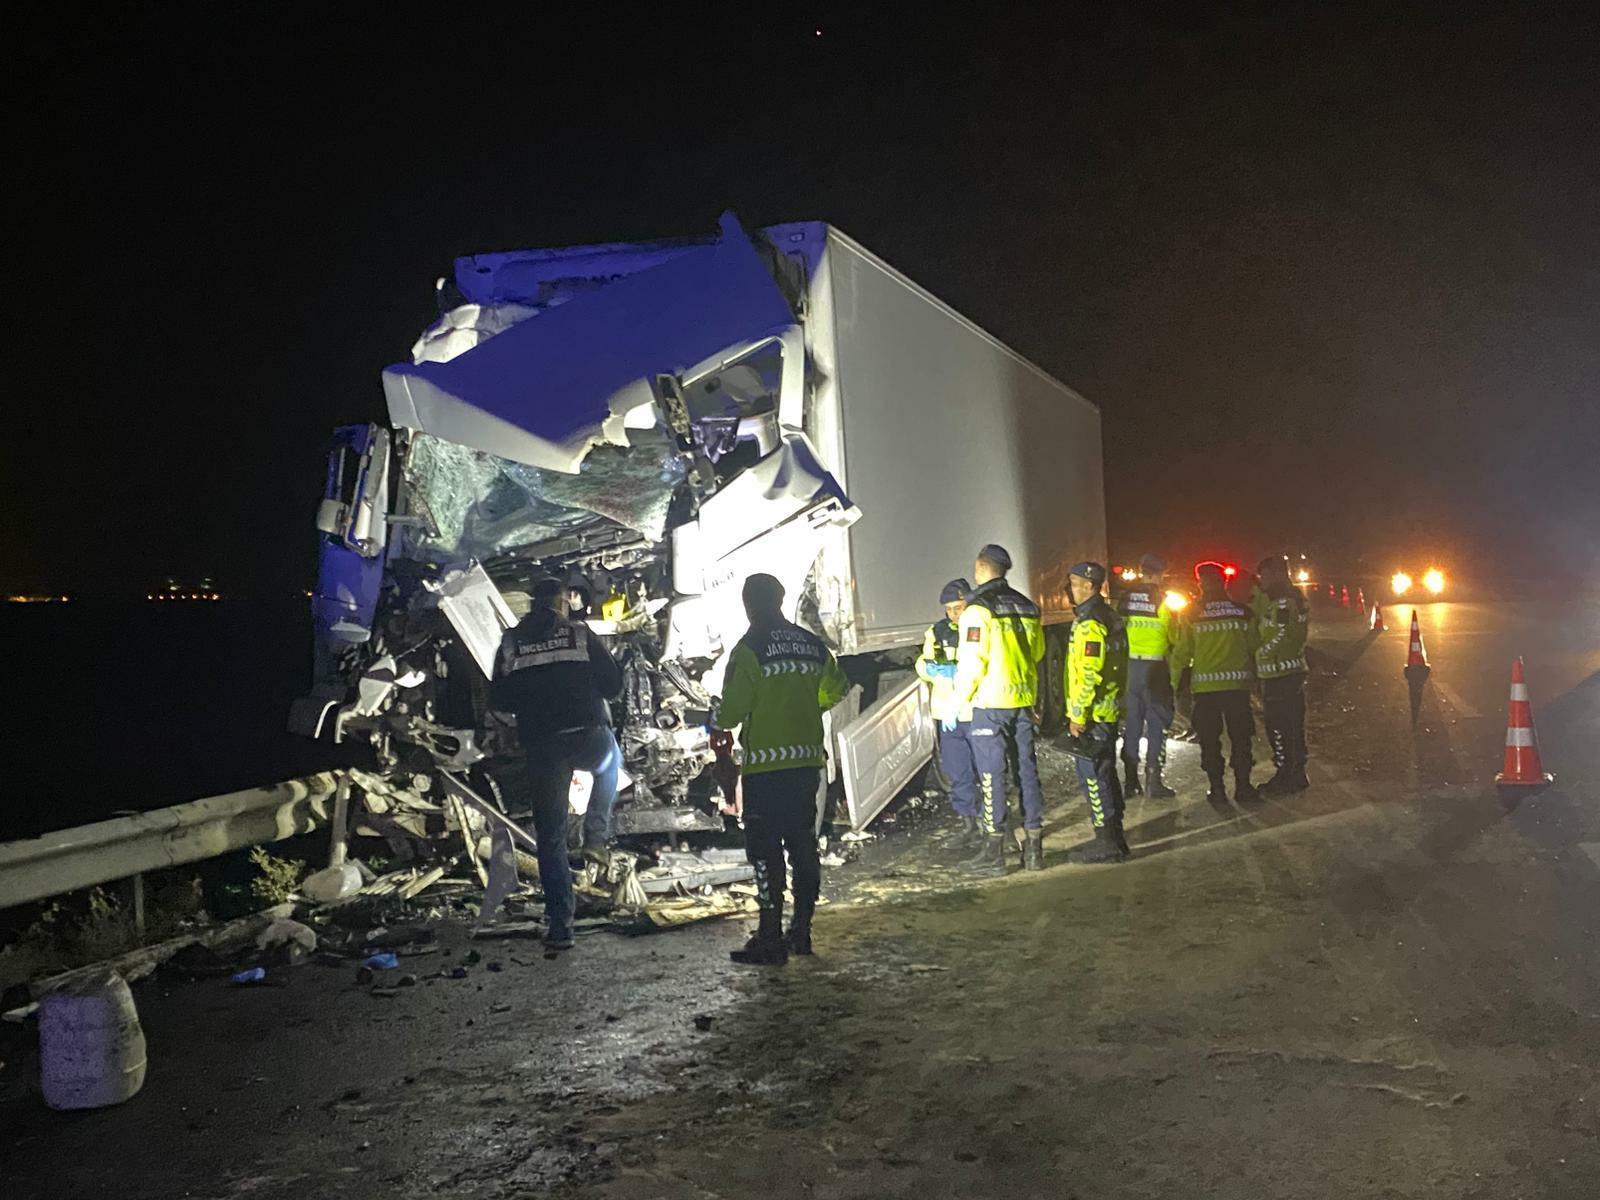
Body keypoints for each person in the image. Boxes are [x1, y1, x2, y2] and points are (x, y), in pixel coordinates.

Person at [713, 573, 849, 965]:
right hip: (806, 764)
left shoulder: (749, 649)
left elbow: (732, 712)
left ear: (748, 605)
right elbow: (837, 688)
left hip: (767, 770)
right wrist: (808, 705)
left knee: (765, 852)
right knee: (803, 846)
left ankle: (770, 937)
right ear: (781, 599)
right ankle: (801, 932)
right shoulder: (811, 645)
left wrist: (718, 716)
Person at [490, 577, 624, 951]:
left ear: (533, 603)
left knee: (550, 838)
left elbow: (499, 701)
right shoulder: (579, 634)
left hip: (543, 746)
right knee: (611, 760)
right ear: (563, 601)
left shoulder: (511, 641)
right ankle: (595, 837)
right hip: (586, 735)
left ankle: (561, 928)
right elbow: (613, 687)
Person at [955, 544, 1047, 875]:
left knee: (992, 775)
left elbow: (972, 662)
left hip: (989, 703)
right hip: (1021, 702)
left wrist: (961, 701)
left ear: (981, 568)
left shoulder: (978, 610)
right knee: (1027, 773)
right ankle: (1034, 850)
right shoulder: (1027, 606)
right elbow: (1037, 652)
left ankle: (994, 854)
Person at [1170, 563, 1260, 806]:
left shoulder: (1191, 613)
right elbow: (1254, 646)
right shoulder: (1243, 612)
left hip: (1206, 692)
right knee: (1241, 740)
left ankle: (1217, 790)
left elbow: (1182, 652)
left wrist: (1173, 684)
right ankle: (1243, 788)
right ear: (1224, 583)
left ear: (1201, 584)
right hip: (1237, 688)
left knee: (1210, 743)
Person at [1064, 561, 1132, 862]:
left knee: (1093, 777)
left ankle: (1106, 843)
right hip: (1109, 710)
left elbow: (1089, 674)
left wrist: (1078, 715)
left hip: (1094, 715)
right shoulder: (1110, 616)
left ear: (1089, 586)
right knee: (1106, 774)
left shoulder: (1091, 623)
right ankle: (1115, 837)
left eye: (1074, 584)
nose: (1070, 590)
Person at [916, 579, 979, 845]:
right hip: (947, 714)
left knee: (987, 771)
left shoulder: (978, 627)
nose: (954, 613)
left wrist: (956, 671)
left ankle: (997, 827)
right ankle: (968, 824)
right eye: (949, 609)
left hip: (974, 710)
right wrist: (930, 669)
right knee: (957, 771)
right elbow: (923, 661)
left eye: (958, 607)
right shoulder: (937, 631)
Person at [1117, 553, 1180, 799]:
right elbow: (1175, 636)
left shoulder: (1125, 599)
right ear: (1160, 574)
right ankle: (1154, 780)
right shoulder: (1164, 600)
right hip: (1155, 669)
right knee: (1157, 722)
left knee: (1132, 723)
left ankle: (1130, 782)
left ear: (1142, 571)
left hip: (1130, 667)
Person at [1252, 555, 1311, 793]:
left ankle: (1285, 775)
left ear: (1277, 574)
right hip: (1290, 671)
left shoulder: (1284, 603)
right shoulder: (1291, 599)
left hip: (1279, 674)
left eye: (1265, 575)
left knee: (1279, 726)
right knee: (1293, 726)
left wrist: (1259, 655)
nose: (1262, 581)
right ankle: (1297, 773)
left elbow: (1281, 635)